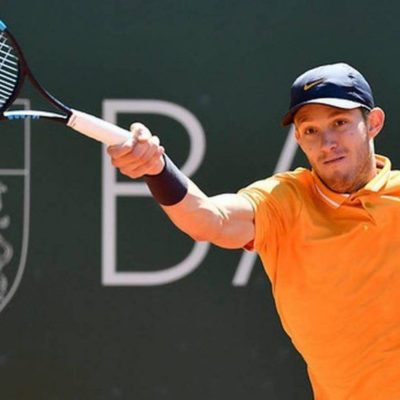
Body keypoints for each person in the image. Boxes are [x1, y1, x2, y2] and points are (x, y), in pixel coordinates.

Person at [107, 62, 400, 399]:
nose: (327, 142)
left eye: (340, 123)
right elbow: (209, 220)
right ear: (298, 139)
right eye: (311, 130)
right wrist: (157, 169)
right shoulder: (284, 201)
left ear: (373, 123)